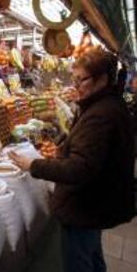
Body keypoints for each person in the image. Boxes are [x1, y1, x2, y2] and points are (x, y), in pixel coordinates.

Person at [9, 48, 135, 272]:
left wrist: (33, 165)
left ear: (102, 79)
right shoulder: (106, 105)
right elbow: (91, 151)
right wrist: (67, 144)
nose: (75, 86)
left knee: (79, 262)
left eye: (81, 80)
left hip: (85, 206)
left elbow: (79, 168)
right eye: (74, 79)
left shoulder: (101, 115)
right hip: (97, 203)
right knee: (93, 254)